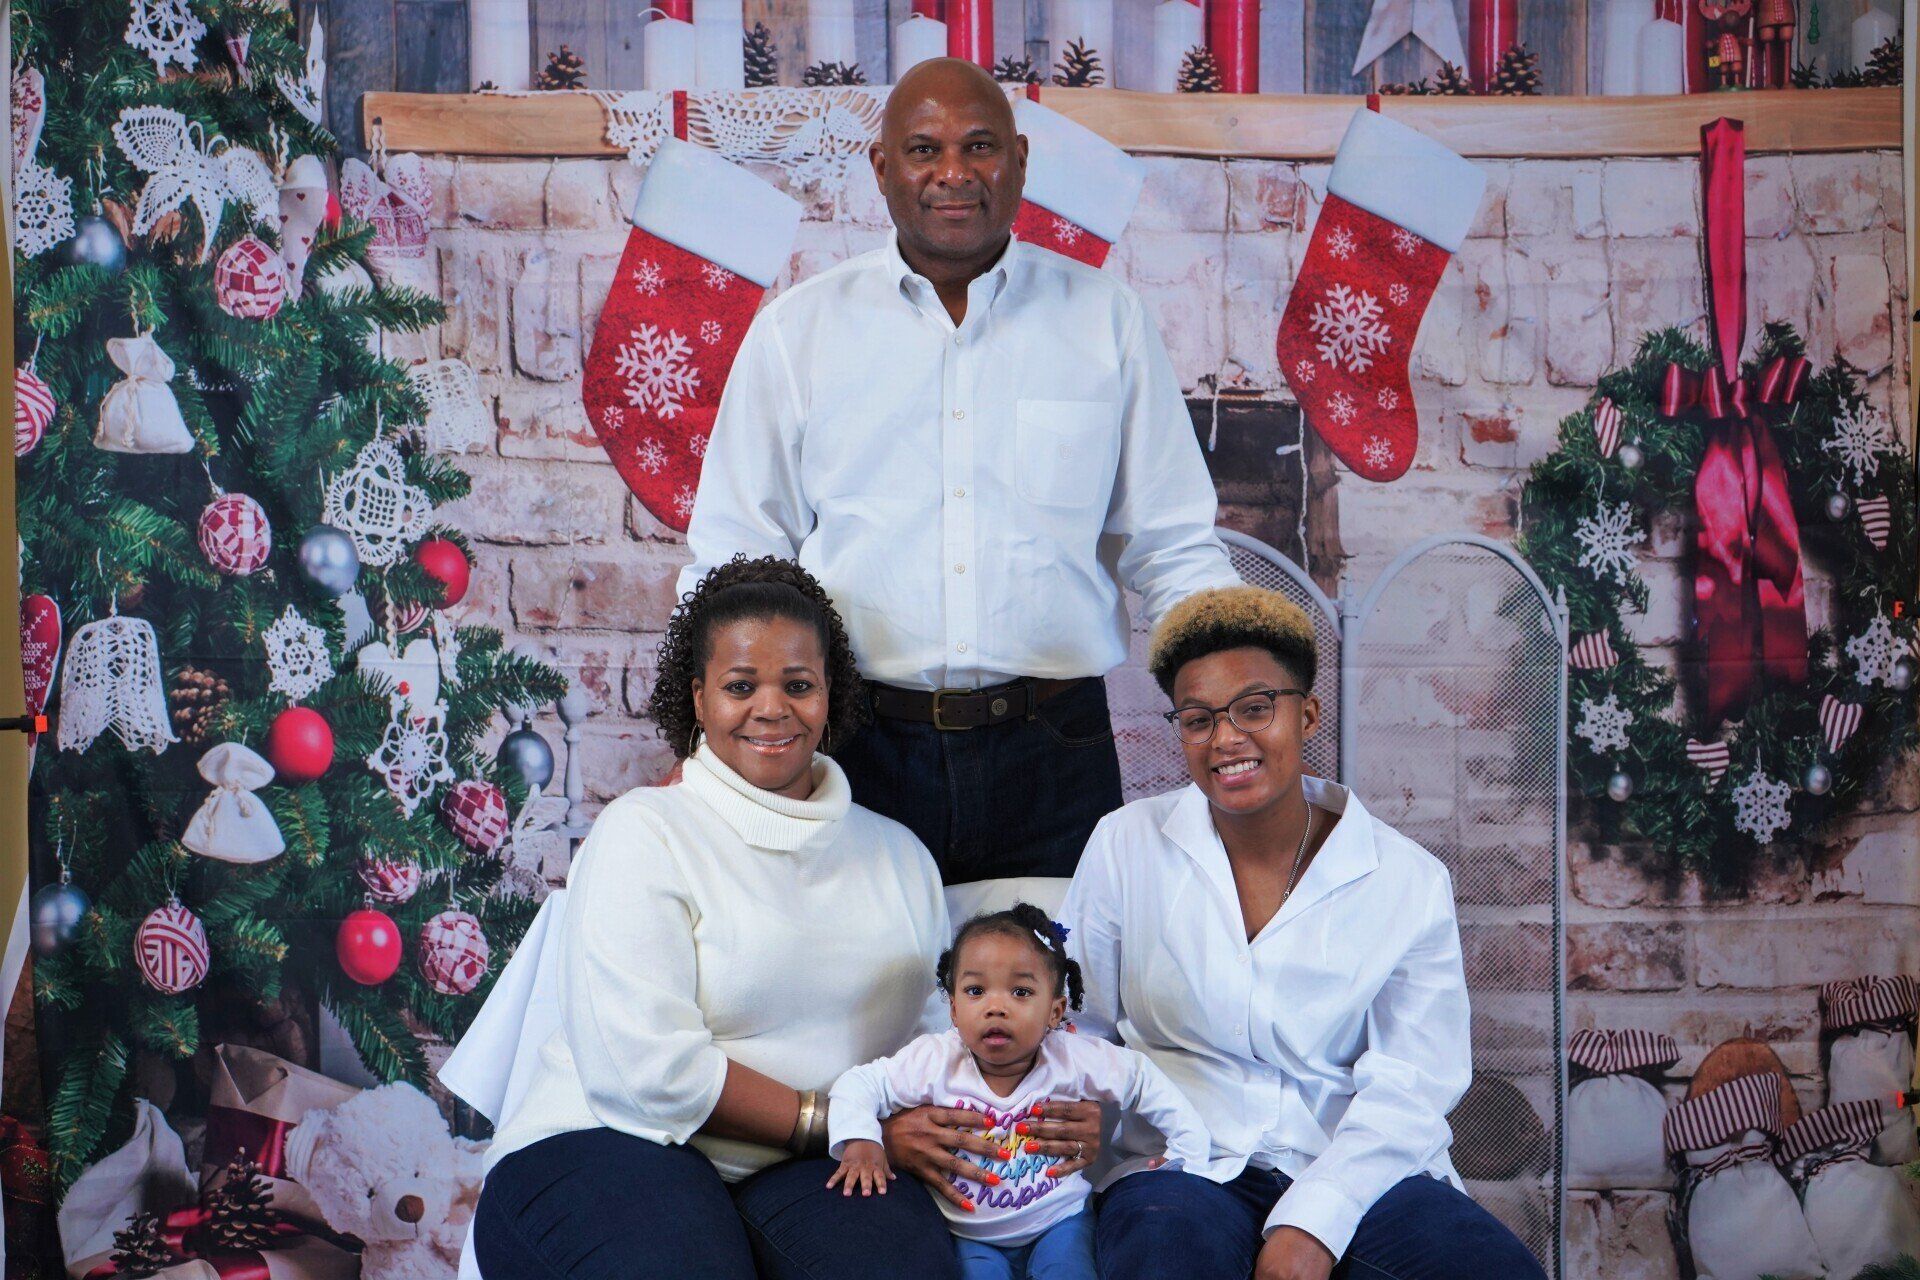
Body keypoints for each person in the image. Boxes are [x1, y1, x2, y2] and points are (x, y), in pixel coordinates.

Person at [677, 57, 1237, 885]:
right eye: (923, 149)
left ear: (1018, 160)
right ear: (880, 167)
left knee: (1065, 1000)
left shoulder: (1106, 322)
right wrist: (717, 749)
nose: (953, 174)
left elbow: (1172, 544)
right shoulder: (799, 332)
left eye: (979, 147)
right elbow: (735, 554)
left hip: (1057, 749)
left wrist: (1233, 693)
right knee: (865, 1007)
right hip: (857, 748)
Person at [472, 556, 1099, 1280]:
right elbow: (648, 1074)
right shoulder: (645, 830)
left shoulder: (897, 856)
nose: (772, 708)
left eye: (797, 685)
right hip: (612, 1142)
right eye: (741, 686)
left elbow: (942, 1046)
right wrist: (844, 1123)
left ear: (831, 695)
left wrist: (1044, 1105)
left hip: (822, 1162)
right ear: (699, 700)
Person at [1061, 586, 1547, 1280]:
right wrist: (1093, 1119)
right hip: (1181, 1162)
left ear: (1307, 713)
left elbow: (1413, 1084)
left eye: (1255, 708)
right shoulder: (1125, 845)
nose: (1226, 738)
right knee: (1164, 1259)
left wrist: (1313, 1223)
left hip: (1352, 1162)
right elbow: (1078, 1022)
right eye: (1198, 719)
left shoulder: (1407, 881)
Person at [825, 904, 1213, 1280]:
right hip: (969, 1237)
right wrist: (860, 1139)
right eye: (976, 990)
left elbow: (1140, 1077)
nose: (996, 1007)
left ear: (1055, 1012)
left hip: (1061, 1223)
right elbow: (861, 1083)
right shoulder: (934, 1060)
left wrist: (1188, 1147)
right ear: (954, 1010)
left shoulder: (1070, 1057)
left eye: (1021, 993)